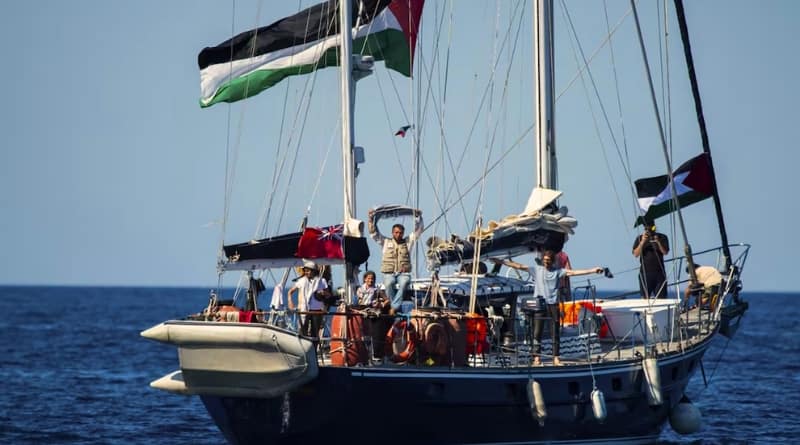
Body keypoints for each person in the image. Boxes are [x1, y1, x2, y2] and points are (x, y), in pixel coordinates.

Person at [495, 250, 604, 366]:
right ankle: (536, 358)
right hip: (540, 304)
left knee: (555, 332)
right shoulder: (537, 270)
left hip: (553, 305)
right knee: (537, 332)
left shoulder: (558, 272)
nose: (546, 262)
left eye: (548, 260)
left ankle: (556, 358)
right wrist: (501, 262)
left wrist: (593, 270)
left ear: (552, 261)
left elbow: (573, 272)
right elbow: (519, 266)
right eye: (545, 260)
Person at [368, 208, 423, 315]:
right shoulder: (385, 241)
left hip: (403, 273)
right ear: (392, 233)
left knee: (404, 283)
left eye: (400, 233)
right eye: (396, 232)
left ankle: (393, 307)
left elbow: (418, 230)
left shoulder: (408, 242)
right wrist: (370, 219)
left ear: (403, 233)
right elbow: (373, 233)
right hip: (389, 273)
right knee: (389, 283)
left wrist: (418, 217)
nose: (398, 234)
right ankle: (395, 306)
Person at [287, 261, 331, 338]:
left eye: (308, 270)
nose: (306, 272)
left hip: (316, 310)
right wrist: (290, 302)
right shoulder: (301, 281)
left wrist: (323, 293)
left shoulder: (321, 281)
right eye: (305, 271)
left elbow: (328, 295)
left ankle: (314, 344)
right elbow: (290, 292)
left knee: (315, 333)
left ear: (313, 271)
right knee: (303, 332)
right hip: (304, 310)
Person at [632, 222, 670, 299]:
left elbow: (665, 252)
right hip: (645, 272)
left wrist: (658, 242)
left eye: (650, 228)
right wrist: (643, 241)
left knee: (661, 297)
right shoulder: (640, 238)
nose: (648, 230)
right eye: (646, 229)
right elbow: (636, 254)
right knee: (645, 298)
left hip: (659, 272)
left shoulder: (662, 237)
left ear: (654, 227)